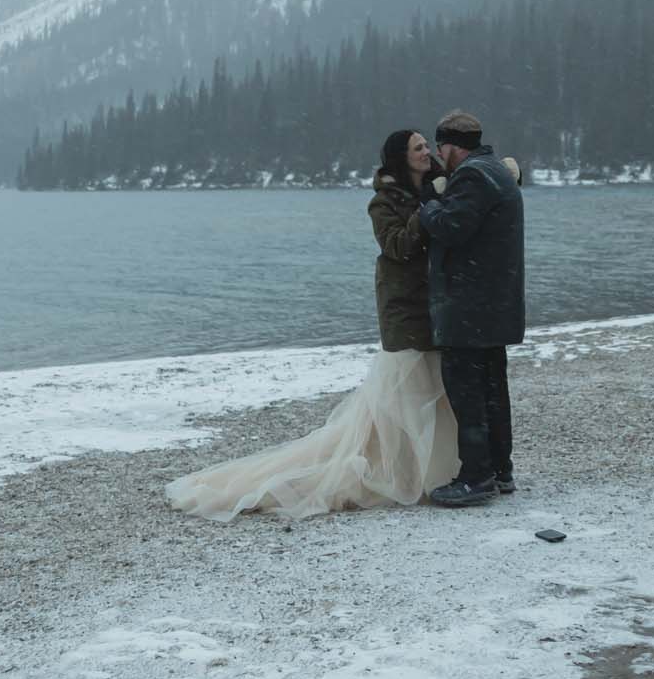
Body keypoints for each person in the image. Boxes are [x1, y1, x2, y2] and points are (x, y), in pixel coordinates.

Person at [161, 130, 459, 520]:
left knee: (435, 390)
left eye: (426, 146)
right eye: (417, 148)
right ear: (400, 159)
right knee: (404, 395)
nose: (426, 152)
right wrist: (428, 211)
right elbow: (397, 246)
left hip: (435, 304)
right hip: (404, 309)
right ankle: (400, 472)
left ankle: (431, 470)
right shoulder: (383, 202)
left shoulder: (439, 189)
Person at [420, 109, 526, 508]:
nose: (436, 154)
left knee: (469, 395)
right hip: (494, 305)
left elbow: (450, 227)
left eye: (439, 146)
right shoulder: (497, 171)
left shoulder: (473, 175)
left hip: (470, 308)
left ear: (451, 145)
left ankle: (476, 477)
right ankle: (501, 471)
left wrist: (428, 202)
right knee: (493, 392)